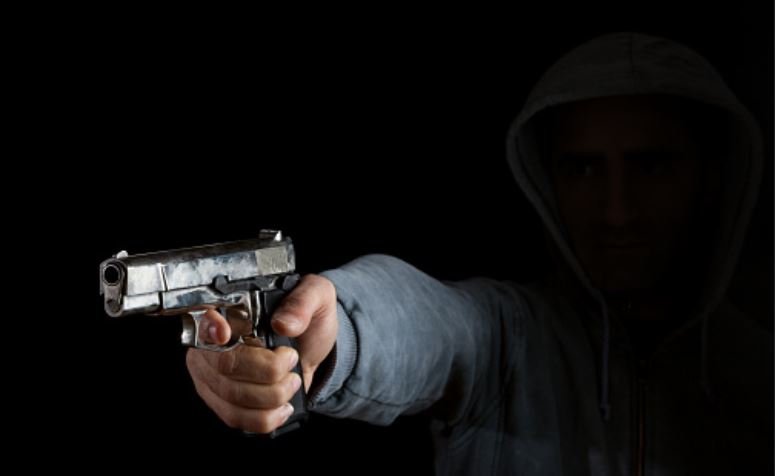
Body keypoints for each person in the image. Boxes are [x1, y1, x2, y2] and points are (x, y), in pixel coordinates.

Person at [185, 32, 772, 474]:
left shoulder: (761, 377)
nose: (617, 209)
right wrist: (337, 328)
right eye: (584, 169)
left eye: (652, 167)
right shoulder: (507, 335)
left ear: (710, 179)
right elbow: (432, 325)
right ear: (547, 181)